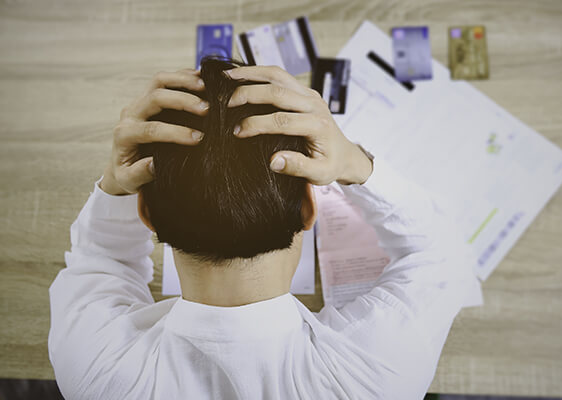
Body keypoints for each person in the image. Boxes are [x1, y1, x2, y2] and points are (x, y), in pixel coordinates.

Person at [48, 59, 479, 399]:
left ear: (145, 213)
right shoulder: (375, 381)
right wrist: (351, 162)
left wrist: (115, 186)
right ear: (311, 207)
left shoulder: (93, 374)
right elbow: (442, 258)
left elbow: (99, 263)